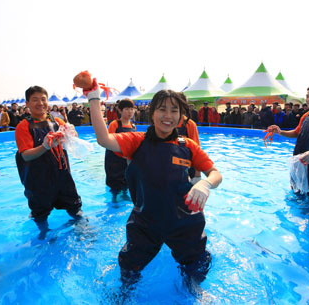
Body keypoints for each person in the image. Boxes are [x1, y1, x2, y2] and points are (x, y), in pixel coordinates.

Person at [75, 72, 222, 286]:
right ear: (152, 113)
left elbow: (216, 173)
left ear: (181, 117)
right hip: (146, 220)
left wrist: (205, 184)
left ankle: (195, 291)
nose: (167, 115)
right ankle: (124, 295)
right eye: (162, 109)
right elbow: (103, 139)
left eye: (174, 110)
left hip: (184, 220)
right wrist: (93, 97)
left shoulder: (187, 145)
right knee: (129, 267)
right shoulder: (137, 141)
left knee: (196, 264)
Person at [15, 86, 83, 228]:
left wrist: (72, 133)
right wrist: (44, 146)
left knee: (75, 207)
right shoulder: (24, 126)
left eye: (43, 99)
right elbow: (26, 156)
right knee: (40, 214)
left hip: (63, 176)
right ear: (27, 104)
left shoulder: (57, 122)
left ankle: (82, 228)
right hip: (39, 180)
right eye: (35, 100)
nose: (40, 103)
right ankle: (43, 235)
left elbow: (73, 138)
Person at [105, 98, 136, 192]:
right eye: (126, 109)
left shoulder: (133, 126)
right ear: (120, 110)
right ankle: (114, 200)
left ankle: (125, 195)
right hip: (114, 159)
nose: (130, 112)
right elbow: (108, 142)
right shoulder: (115, 124)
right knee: (115, 183)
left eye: (132, 109)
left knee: (127, 179)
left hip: (126, 159)